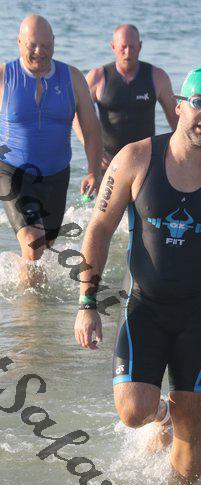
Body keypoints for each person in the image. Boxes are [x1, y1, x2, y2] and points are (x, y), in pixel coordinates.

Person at [74, 65, 201, 483]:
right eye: (199, 103)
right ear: (179, 106)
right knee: (133, 411)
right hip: (144, 307)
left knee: (192, 435)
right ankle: (162, 415)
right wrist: (87, 302)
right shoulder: (135, 158)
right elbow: (99, 228)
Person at [0, 14, 102, 286]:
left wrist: (93, 170)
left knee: (43, 249)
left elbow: (91, 129)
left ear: (54, 42)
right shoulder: (4, 76)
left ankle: (33, 305)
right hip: (12, 170)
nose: (40, 51)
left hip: (56, 174)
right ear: (19, 42)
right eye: (32, 45)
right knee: (33, 242)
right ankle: (30, 308)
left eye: (46, 45)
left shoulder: (72, 78)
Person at [73, 23, 178, 172]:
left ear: (140, 46)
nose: (127, 52)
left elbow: (176, 119)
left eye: (132, 47)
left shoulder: (157, 77)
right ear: (113, 46)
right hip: (109, 162)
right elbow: (76, 114)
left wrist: (178, 154)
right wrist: (94, 149)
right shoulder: (98, 77)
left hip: (146, 160)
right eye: (123, 47)